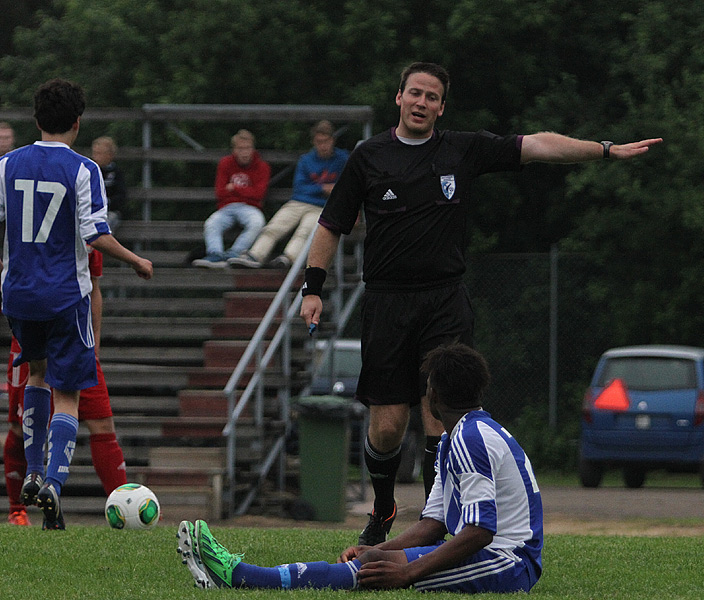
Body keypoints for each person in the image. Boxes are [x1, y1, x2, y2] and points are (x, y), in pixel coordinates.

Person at [299, 61, 662, 545]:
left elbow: (536, 145)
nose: (422, 103)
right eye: (415, 93)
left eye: (432, 97)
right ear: (399, 98)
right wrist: (312, 289)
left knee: (441, 414)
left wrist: (606, 150)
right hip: (387, 302)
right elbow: (330, 226)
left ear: (441, 107)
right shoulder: (368, 156)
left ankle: (434, 524)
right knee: (387, 425)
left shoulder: (461, 149)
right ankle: (383, 508)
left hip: (445, 299)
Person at [178, 343, 542, 593]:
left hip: (508, 565)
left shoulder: (470, 438)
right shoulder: (458, 436)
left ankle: (239, 576)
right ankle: (237, 575)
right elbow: (433, 525)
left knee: (366, 575)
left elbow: (480, 530)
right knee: (370, 564)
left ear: (434, 397)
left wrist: (408, 572)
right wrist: (378, 550)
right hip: (500, 557)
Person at [0, 78, 153, 530]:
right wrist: (135, 259)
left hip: (18, 295)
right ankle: (52, 481)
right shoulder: (84, 170)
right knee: (68, 393)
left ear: (35, 119)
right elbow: (95, 234)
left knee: (37, 376)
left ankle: (31, 472)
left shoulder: (6, 164)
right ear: (78, 122)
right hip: (65, 296)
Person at [4, 248, 128, 526]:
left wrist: (94, 342)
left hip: (77, 335)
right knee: (19, 425)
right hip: (40, 327)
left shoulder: (84, 219)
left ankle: (123, 509)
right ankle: (18, 510)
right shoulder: (80, 220)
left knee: (102, 423)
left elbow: (94, 286)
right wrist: (136, 260)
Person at [229, 120, 349, 269]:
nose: (323, 146)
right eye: (319, 142)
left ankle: (288, 258)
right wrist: (323, 188)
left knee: (305, 231)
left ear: (333, 140)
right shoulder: (306, 160)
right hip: (298, 202)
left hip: (322, 206)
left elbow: (350, 185)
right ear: (313, 142)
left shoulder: (343, 159)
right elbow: (299, 188)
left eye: (326, 141)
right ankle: (255, 255)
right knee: (274, 226)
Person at [193, 129, 270, 268]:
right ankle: (215, 255)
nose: (245, 152)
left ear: (253, 149)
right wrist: (246, 192)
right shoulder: (225, 163)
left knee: (257, 222)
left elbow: (259, 194)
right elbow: (220, 192)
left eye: (248, 148)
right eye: (241, 149)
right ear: (234, 150)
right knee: (212, 223)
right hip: (227, 206)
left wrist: (234, 188)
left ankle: (235, 253)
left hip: (250, 207)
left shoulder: (262, 166)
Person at [91, 136, 128, 231]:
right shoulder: (89, 171)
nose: (95, 157)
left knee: (107, 221)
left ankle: (98, 243)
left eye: (99, 154)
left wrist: (107, 203)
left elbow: (121, 195)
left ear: (109, 155)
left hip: (110, 211)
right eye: (94, 153)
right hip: (90, 210)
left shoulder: (116, 173)